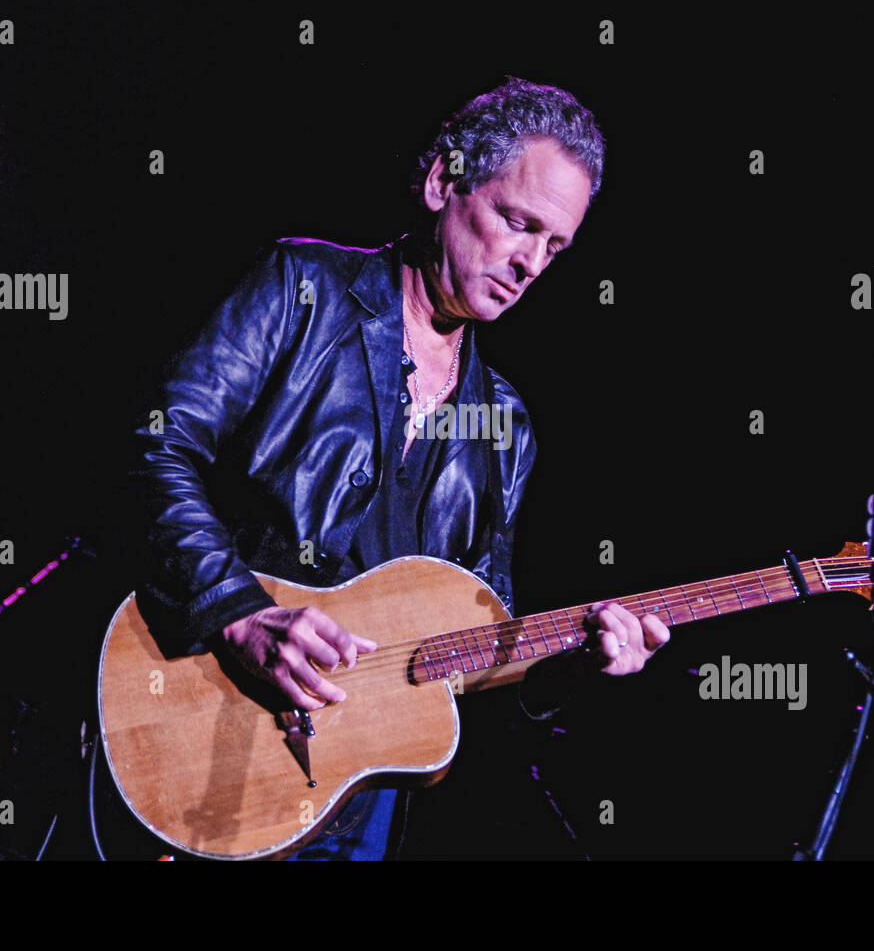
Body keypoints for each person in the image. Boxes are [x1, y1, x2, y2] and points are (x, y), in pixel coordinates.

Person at [131, 76, 670, 859]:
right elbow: (156, 446)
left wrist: (575, 660)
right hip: (197, 715)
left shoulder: (507, 429)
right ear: (441, 183)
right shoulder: (302, 290)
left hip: (354, 799)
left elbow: (484, 642)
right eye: (518, 222)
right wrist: (238, 612)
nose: (529, 265)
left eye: (554, 247)